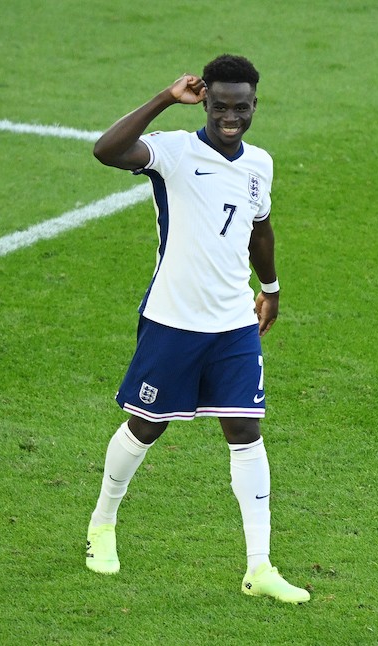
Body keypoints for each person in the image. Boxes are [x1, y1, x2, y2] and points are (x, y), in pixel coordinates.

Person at [86, 54, 309, 604]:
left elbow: (260, 229)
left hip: (233, 322)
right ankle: (102, 525)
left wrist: (273, 288)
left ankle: (259, 566)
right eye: (221, 104)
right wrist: (164, 97)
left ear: (255, 106)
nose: (231, 115)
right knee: (146, 427)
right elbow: (107, 151)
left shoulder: (260, 163)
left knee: (245, 429)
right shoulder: (175, 152)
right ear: (204, 99)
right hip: (173, 320)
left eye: (242, 106)